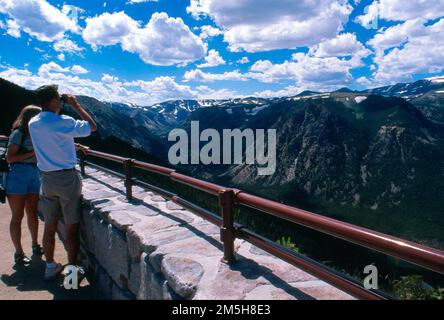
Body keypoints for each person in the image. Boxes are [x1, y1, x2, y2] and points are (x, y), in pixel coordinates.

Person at [29, 85, 97, 281]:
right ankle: (72, 276)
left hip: (47, 178)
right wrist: (76, 105)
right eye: (58, 98)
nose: (61, 101)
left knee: (50, 224)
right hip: (67, 178)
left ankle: (50, 266)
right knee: (71, 227)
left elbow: (53, 141)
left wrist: (72, 144)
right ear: (52, 101)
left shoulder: (34, 123)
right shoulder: (64, 122)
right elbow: (92, 127)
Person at [5, 106, 43, 265]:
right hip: (18, 174)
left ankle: (35, 244)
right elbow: (10, 158)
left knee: (32, 212)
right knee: (17, 216)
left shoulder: (37, 134)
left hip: (34, 173)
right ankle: (19, 253)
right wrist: (32, 153)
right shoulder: (18, 134)